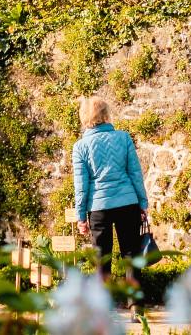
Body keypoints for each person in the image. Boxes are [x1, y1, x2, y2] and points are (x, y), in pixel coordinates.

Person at [72, 97, 150, 320]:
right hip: (127, 203)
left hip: (98, 208)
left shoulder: (80, 147)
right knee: (131, 254)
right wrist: (142, 204)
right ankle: (136, 306)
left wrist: (81, 217)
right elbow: (135, 172)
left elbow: (81, 186)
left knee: (102, 258)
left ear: (84, 116)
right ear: (106, 113)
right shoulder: (123, 138)